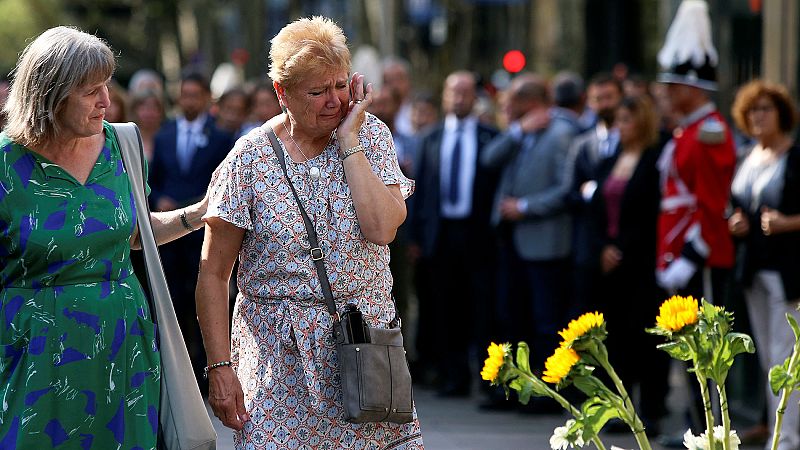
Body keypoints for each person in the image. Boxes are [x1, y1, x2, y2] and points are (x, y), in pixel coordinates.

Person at [195, 16, 423, 448]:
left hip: (364, 348)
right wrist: (219, 366)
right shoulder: (249, 159)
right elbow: (213, 272)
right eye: (317, 92)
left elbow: (380, 228)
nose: (333, 101)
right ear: (282, 93)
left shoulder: (370, 135)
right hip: (279, 362)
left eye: (339, 85)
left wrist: (350, 139)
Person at [0, 26, 207, 448]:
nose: (107, 102)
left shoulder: (121, 144)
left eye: (107, 86)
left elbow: (134, 235)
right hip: (33, 352)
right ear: (50, 95)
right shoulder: (5, 163)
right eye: (91, 91)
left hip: (122, 345)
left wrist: (199, 214)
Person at [408, 70, 500, 396]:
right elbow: (419, 191)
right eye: (453, 92)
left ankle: (490, 382)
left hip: (477, 235)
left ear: (475, 97)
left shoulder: (491, 136)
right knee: (445, 307)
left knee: (482, 308)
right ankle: (453, 376)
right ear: (445, 96)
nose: (459, 98)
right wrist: (416, 237)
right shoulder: (430, 138)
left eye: (465, 92)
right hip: (440, 235)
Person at [482, 73, 575, 372]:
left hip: (544, 242)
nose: (506, 106)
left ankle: (548, 389)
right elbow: (489, 159)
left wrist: (525, 207)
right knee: (512, 314)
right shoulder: (520, 131)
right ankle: (518, 384)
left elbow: (565, 189)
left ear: (532, 102)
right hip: (512, 239)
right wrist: (518, 130)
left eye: (514, 101)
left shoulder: (561, 133)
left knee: (545, 319)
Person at [588, 95, 669, 434]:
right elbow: (594, 210)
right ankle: (623, 409)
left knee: (645, 338)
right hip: (609, 266)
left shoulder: (654, 160)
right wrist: (603, 248)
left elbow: (652, 213)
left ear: (643, 123)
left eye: (627, 120)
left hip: (640, 264)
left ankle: (651, 410)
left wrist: (620, 249)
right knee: (616, 338)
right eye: (618, 119)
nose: (620, 126)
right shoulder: (610, 159)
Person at [149, 72, 234, 391]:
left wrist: (197, 206)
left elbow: (224, 182)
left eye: (195, 95)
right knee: (173, 305)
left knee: (202, 303)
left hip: (202, 232)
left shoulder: (222, 137)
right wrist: (160, 200)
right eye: (184, 94)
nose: (189, 101)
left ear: (206, 98)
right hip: (170, 239)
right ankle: (173, 377)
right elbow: (153, 180)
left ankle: (205, 377)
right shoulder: (165, 134)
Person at [729, 79, 800, 450]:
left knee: (784, 357)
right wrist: (734, 222)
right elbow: (736, 204)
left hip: (786, 272)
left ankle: (788, 440)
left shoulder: (796, 157)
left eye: (766, 109)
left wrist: (788, 223)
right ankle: (778, 432)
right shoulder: (747, 155)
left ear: (781, 114)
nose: (758, 116)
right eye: (753, 110)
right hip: (752, 268)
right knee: (766, 357)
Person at [129, 89, 166, 162]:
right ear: (134, 110)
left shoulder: (168, 137)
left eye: (153, 108)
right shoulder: (128, 137)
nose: (148, 113)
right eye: (143, 108)